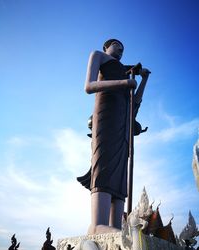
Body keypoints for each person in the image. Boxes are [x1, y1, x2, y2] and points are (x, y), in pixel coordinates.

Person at [77, 39, 150, 234]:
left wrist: (143, 80)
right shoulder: (98, 56)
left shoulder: (126, 72)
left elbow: (134, 102)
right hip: (106, 120)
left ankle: (114, 226)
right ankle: (97, 225)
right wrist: (125, 82)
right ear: (106, 47)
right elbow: (89, 86)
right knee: (105, 164)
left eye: (123, 49)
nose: (120, 49)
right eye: (117, 45)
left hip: (122, 128)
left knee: (119, 176)